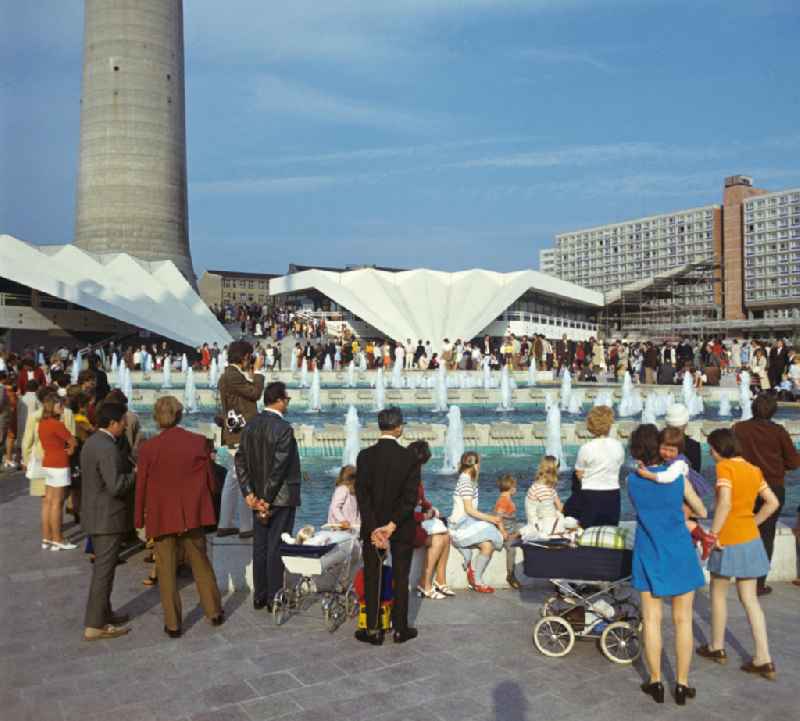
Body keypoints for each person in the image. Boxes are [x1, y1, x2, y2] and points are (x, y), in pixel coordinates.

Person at [628, 424, 707, 705]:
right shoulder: (678, 478)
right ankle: (683, 685)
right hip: (680, 553)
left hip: (648, 552)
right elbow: (701, 510)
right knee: (683, 620)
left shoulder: (632, 480)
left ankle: (656, 681)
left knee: (651, 620)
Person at [135, 396, 223, 637]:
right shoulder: (198, 442)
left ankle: (173, 623)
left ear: (156, 417)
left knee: (165, 570)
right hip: (192, 514)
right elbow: (211, 481)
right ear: (180, 414)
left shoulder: (148, 448)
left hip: (162, 515)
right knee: (201, 564)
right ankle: (214, 611)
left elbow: (140, 486)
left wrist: (138, 519)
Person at [698, 428, 780, 680]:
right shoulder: (754, 470)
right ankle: (763, 657)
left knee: (718, 594)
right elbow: (773, 502)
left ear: (720, 448)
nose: (710, 453)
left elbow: (724, 503)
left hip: (728, 538)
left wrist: (712, 534)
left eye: (711, 448)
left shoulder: (725, 468)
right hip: (751, 539)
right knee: (750, 600)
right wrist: (753, 522)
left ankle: (717, 646)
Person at [354, 407, 419, 644]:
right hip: (400, 527)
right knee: (401, 577)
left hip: (372, 527)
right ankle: (400, 629)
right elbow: (410, 499)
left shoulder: (365, 456)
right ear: (399, 427)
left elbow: (363, 497)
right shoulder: (409, 457)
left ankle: (372, 629)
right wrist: (391, 526)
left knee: (373, 574)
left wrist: (374, 528)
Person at [235, 381, 301, 611]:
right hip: (279, 498)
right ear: (280, 400)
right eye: (287, 399)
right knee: (277, 547)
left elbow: (240, 460)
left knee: (260, 546)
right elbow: (279, 467)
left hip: (257, 498)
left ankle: (259, 596)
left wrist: (249, 493)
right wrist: (266, 498)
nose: (288, 403)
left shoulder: (251, 425)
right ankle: (275, 597)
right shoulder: (284, 429)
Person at [734, 393, 800, 595]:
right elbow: (794, 462)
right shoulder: (778, 431)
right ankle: (759, 583)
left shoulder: (739, 429)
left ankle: (742, 575)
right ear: (773, 411)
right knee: (766, 533)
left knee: (744, 529)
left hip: (745, 486)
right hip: (772, 486)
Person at [80, 402, 135, 641]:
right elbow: (116, 485)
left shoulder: (92, 442)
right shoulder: (107, 447)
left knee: (106, 569)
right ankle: (95, 624)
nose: (125, 425)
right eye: (122, 421)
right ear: (112, 423)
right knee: (103, 571)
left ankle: (105, 612)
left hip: (95, 513)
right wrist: (136, 475)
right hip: (107, 517)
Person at [217, 340, 265, 539]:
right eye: (249, 356)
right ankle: (246, 527)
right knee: (245, 479)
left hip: (236, 432)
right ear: (245, 356)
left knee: (234, 478)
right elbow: (254, 393)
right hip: (240, 433)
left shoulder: (231, 375)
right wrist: (259, 373)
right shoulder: (232, 376)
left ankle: (225, 524)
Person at [448, 451, 505, 594]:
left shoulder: (467, 479)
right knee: (492, 536)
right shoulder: (466, 482)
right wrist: (491, 519)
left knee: (487, 545)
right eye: (479, 463)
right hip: (460, 526)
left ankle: (475, 578)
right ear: (475, 465)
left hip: (467, 523)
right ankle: (477, 580)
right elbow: (469, 510)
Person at [409, 440, 453, 601]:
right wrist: (424, 516)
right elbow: (402, 511)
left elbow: (421, 500)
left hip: (415, 522)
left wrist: (430, 508)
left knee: (446, 536)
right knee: (437, 540)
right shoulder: (407, 478)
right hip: (406, 527)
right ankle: (424, 584)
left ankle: (440, 580)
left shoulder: (415, 476)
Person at [571, 405, 625, 528]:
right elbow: (619, 465)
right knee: (610, 531)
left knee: (587, 532)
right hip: (613, 492)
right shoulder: (618, 446)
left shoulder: (586, 448)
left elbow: (579, 473)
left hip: (590, 493)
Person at [38, 393, 77, 550]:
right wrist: (72, 449)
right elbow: (72, 440)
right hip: (59, 463)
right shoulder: (57, 424)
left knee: (47, 501)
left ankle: (47, 537)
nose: (62, 407)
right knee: (57, 503)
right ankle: (58, 538)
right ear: (51, 407)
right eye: (59, 405)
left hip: (47, 462)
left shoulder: (43, 423)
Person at [521, 455, 574, 539]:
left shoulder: (537, 486)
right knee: (572, 523)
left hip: (538, 523)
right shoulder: (544, 490)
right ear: (554, 471)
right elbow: (552, 512)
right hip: (543, 526)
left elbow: (557, 507)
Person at [494, 474, 522, 589]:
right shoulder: (503, 500)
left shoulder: (507, 499)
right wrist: (502, 531)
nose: (516, 489)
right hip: (507, 532)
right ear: (511, 488)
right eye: (515, 486)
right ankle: (510, 574)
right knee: (511, 550)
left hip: (512, 529)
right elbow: (498, 516)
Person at [327, 464, 361, 530]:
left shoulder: (354, 491)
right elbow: (334, 507)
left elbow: (356, 512)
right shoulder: (342, 489)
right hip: (339, 526)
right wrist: (342, 520)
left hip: (351, 526)